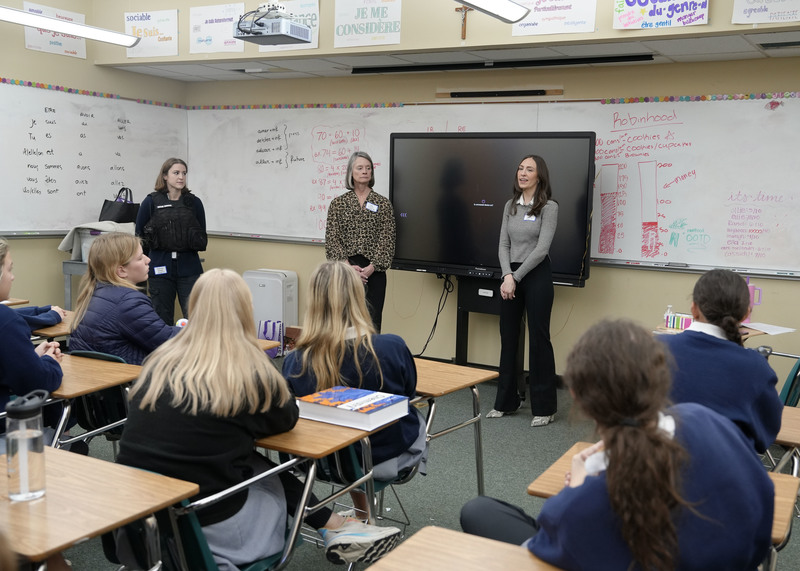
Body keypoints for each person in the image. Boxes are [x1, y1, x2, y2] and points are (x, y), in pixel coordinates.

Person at [117, 269, 401, 569]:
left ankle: (334, 525)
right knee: (265, 472)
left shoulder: (157, 362)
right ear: (246, 311)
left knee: (250, 461)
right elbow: (286, 419)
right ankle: (335, 525)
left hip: (139, 519)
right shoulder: (246, 371)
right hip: (206, 527)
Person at [461, 319, 774, 571]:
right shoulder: (710, 422)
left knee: (479, 510)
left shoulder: (578, 509)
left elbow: (542, 552)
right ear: (663, 379)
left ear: (577, 397)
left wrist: (577, 490)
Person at [282, 261, 428, 516]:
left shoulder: (294, 361)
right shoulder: (391, 348)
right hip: (382, 459)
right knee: (414, 413)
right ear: (359, 297)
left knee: (342, 427)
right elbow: (409, 394)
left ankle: (361, 514)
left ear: (313, 301)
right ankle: (363, 513)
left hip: (320, 462)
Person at [0, 237, 70, 571]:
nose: (13, 277)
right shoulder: (4, 322)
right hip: (7, 438)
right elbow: (39, 382)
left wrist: (30, 354)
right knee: (66, 436)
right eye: (9, 269)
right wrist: (52, 361)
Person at [661, 269, 782, 453]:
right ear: (745, 314)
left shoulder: (654, 349)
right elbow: (765, 436)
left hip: (650, 469)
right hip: (723, 473)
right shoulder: (755, 366)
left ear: (693, 309)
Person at [489, 155, 558, 427]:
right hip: (511, 275)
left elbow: (542, 249)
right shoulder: (510, 205)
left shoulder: (549, 207)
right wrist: (507, 275)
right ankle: (506, 402)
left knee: (539, 338)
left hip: (536, 273)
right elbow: (503, 245)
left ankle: (545, 407)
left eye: (529, 169)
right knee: (508, 336)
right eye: (520, 168)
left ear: (539, 176)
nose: (523, 173)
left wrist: (515, 277)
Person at [70, 232, 179, 365]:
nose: (148, 260)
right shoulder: (128, 302)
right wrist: (197, 327)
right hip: (128, 379)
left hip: (97, 376)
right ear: (121, 271)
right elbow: (168, 342)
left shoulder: (95, 291)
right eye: (139, 258)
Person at [325, 151, 395, 333]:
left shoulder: (383, 204)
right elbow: (332, 239)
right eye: (360, 168)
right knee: (344, 322)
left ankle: (371, 360)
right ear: (351, 172)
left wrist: (371, 268)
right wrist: (348, 268)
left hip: (374, 272)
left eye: (368, 168)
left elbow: (387, 240)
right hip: (345, 270)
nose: (365, 171)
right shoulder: (338, 204)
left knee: (372, 323)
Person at [135, 157, 207, 326]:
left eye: (184, 173)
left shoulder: (194, 203)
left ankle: (196, 352)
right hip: (160, 268)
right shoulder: (151, 202)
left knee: (196, 317)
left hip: (189, 269)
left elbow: (201, 234)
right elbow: (139, 237)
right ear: (165, 176)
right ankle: (164, 352)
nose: (181, 177)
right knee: (161, 317)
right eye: (176, 173)